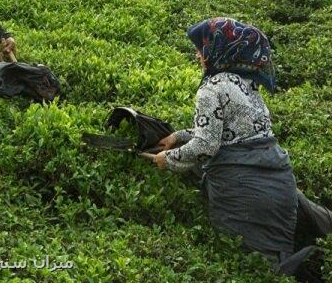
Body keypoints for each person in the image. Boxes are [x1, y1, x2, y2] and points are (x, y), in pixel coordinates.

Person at [141, 18, 332, 278]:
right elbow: (236, 134)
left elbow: (207, 145)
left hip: (244, 193)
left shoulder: (211, 88)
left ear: (219, 48)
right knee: (277, 257)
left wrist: (168, 159)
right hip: (280, 184)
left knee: (256, 271)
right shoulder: (247, 84)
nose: (198, 54)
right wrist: (179, 135)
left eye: (202, 47)